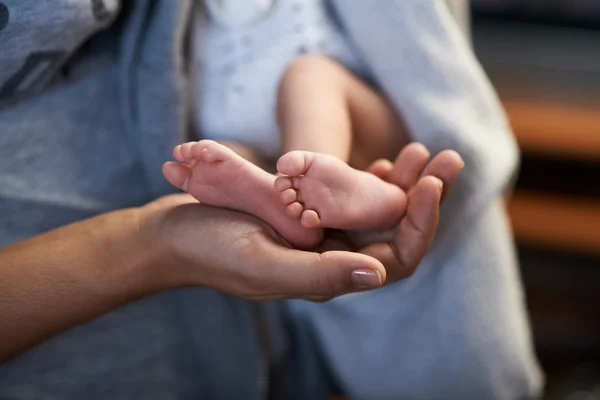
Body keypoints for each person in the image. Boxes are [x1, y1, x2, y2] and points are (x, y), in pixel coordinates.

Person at [0, 1, 543, 399]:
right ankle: (294, 192)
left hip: (309, 80)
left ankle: (331, 186)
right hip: (225, 102)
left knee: (309, 95)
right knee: (237, 149)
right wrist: (151, 242)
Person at [163, 56, 410, 248]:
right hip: (269, 161)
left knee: (309, 76)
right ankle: (289, 204)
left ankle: (318, 183)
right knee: (219, 158)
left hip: (355, 119)